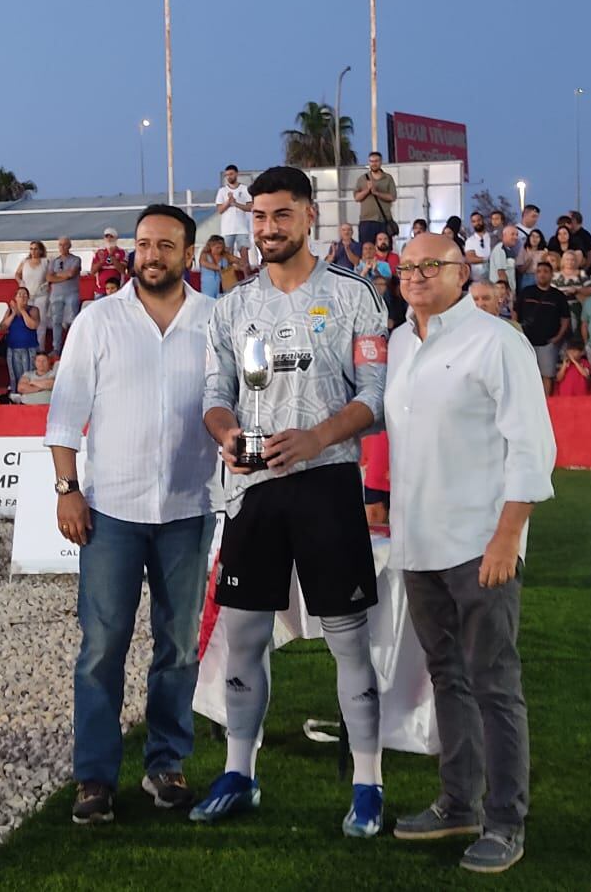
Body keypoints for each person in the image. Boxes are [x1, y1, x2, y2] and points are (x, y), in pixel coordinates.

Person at [193, 165, 389, 837]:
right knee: (244, 636)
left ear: (309, 216)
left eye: (281, 215)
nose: (268, 228)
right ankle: (239, 771)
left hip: (328, 482)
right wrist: (226, 435)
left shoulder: (357, 298)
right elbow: (213, 396)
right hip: (252, 489)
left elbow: (374, 396)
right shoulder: (230, 307)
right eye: (259, 216)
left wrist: (315, 439)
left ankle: (368, 782)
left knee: (348, 641)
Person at [381, 230, 551, 874]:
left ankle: (506, 819)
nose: (417, 275)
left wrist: (508, 535)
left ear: (462, 272)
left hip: (481, 545)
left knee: (494, 685)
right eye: (408, 266)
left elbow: (533, 448)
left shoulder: (497, 341)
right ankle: (459, 802)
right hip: (418, 543)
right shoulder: (400, 342)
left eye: (432, 265)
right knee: (446, 677)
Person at [43, 204, 215, 825]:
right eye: (144, 243)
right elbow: (64, 413)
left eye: (166, 245)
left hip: (189, 508)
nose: (152, 254)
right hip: (110, 510)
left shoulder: (214, 322)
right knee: (102, 647)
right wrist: (68, 488)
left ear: (188, 255)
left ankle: (165, 764)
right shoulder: (97, 320)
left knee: (178, 646)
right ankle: (94, 776)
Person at [514, 259, 571, 394]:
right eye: (539, 272)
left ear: (551, 275)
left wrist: (557, 337)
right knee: (526, 375)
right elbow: (515, 312)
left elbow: (565, 319)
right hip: (526, 342)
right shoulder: (526, 292)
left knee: (547, 375)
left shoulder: (558, 296)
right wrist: (517, 333)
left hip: (548, 343)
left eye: (546, 272)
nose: (542, 274)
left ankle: (547, 405)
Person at [44, 237, 84, 352]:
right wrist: (63, 276)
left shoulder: (76, 259)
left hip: (71, 294)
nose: (62, 247)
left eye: (64, 245)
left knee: (72, 321)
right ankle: (56, 348)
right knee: (56, 322)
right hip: (56, 295)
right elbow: (48, 277)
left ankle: (72, 348)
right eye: (60, 245)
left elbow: (71, 273)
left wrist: (56, 275)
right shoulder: (54, 261)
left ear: (69, 246)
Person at [354, 151, 398, 246]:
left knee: (385, 248)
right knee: (366, 249)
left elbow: (392, 197)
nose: (374, 163)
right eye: (371, 161)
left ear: (381, 162)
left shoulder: (388, 178)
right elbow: (356, 197)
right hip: (367, 221)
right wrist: (367, 190)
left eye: (376, 161)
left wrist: (376, 193)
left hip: (384, 220)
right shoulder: (362, 178)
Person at [215, 164, 254, 267]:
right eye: (227, 175)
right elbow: (219, 209)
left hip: (242, 229)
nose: (229, 177)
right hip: (227, 229)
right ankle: (230, 281)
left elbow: (250, 207)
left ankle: (248, 279)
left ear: (236, 174)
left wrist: (236, 204)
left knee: (244, 255)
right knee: (227, 256)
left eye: (231, 174)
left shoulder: (244, 189)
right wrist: (228, 202)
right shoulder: (222, 191)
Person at [2, 287, 42, 389]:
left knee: (28, 375)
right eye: (20, 295)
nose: (22, 297)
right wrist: (14, 313)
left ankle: (27, 396)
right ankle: (15, 396)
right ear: (15, 297)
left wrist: (22, 311)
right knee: (14, 376)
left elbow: (32, 325)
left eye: (25, 295)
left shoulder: (33, 310)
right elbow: (3, 327)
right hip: (13, 348)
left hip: (28, 348)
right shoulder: (10, 311)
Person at [17, 240, 51, 318]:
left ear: (40, 250)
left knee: (41, 317)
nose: (33, 251)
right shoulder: (25, 262)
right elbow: (17, 274)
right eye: (31, 249)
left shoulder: (45, 262)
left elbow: (50, 275)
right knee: (28, 317)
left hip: (41, 294)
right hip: (27, 295)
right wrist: (20, 282)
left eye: (35, 249)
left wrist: (47, 284)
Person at [91, 228, 130, 294]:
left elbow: (122, 270)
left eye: (111, 236)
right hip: (101, 290)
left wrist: (112, 256)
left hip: (118, 290)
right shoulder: (98, 252)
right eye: (106, 236)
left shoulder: (123, 252)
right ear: (104, 238)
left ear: (116, 238)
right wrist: (101, 261)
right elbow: (92, 271)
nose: (109, 239)